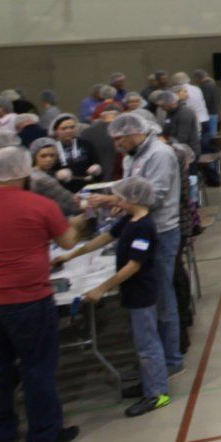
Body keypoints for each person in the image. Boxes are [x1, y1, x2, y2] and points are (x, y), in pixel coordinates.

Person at [0, 146, 79, 442]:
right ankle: (44, 435)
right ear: (25, 172)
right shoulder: (39, 204)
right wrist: (79, 221)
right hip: (26, 297)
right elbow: (67, 241)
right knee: (37, 366)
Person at [74, 176, 175, 418]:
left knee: (147, 344)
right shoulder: (130, 220)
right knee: (140, 342)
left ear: (134, 199)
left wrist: (101, 288)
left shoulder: (145, 227)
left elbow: (133, 266)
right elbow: (105, 238)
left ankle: (158, 393)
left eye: (120, 197)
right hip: (132, 293)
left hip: (142, 293)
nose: (116, 201)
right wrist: (73, 253)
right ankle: (148, 382)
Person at [106, 113, 185, 374]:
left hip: (161, 230)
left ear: (132, 133)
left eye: (120, 139)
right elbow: (133, 190)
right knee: (151, 298)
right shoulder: (133, 155)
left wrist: (114, 202)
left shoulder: (159, 154)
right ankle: (155, 356)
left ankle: (171, 360)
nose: (117, 145)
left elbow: (157, 195)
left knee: (162, 297)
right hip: (142, 226)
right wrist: (122, 204)